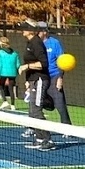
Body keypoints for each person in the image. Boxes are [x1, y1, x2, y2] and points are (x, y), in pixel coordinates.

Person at [18, 20, 54, 150]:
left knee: (37, 110)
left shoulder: (37, 43)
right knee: (32, 110)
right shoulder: (29, 43)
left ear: (31, 30)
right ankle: (39, 138)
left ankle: (47, 139)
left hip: (40, 80)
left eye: (25, 28)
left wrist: (26, 66)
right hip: (33, 80)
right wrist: (28, 80)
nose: (22, 30)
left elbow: (43, 64)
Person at [38, 23, 74, 128]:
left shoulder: (54, 43)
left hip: (54, 77)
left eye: (39, 30)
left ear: (45, 31)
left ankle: (67, 127)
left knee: (60, 103)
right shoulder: (35, 43)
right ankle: (33, 127)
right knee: (35, 104)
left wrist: (60, 78)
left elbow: (62, 61)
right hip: (40, 77)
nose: (37, 32)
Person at [0, 36, 21, 110]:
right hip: (13, 73)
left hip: (3, 73)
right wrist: (17, 72)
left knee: (1, 86)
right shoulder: (15, 53)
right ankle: (12, 105)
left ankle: (5, 101)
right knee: (11, 89)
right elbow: (18, 65)